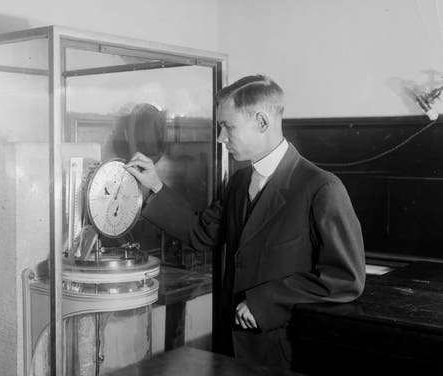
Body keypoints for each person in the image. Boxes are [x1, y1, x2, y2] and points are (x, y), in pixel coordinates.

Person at [125, 74, 365, 370]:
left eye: (228, 126)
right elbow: (201, 234)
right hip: (230, 349)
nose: (220, 137)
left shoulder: (321, 188)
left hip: (280, 353)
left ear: (262, 122)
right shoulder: (239, 182)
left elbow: (345, 279)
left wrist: (267, 303)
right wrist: (156, 186)